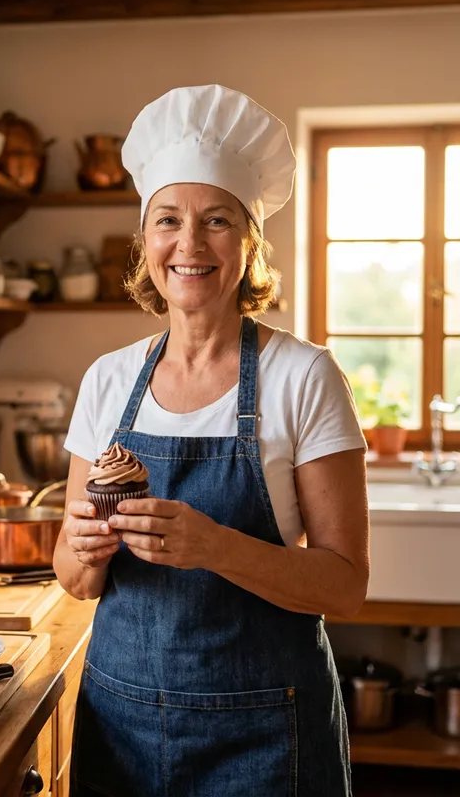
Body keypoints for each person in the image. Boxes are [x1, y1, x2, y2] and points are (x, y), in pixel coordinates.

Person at [55, 85, 370, 797]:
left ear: (249, 241)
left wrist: (216, 546)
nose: (190, 244)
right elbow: (73, 581)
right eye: (168, 219)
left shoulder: (305, 376)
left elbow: (346, 586)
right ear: (146, 240)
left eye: (217, 221)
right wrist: (82, 548)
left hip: (265, 737)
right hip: (121, 724)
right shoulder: (108, 380)